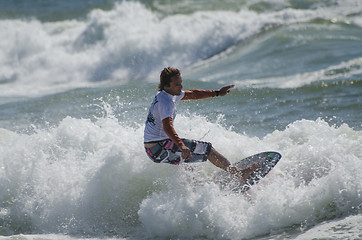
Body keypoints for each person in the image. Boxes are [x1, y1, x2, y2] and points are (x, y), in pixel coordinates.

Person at [144, 67, 258, 183]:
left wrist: (217, 93)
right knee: (207, 149)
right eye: (177, 84)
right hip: (160, 146)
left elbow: (193, 94)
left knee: (188, 161)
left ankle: (196, 188)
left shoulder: (165, 94)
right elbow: (167, 127)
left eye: (181, 83)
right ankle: (239, 174)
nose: (181, 86)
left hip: (153, 150)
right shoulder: (166, 102)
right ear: (167, 85)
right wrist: (181, 145)